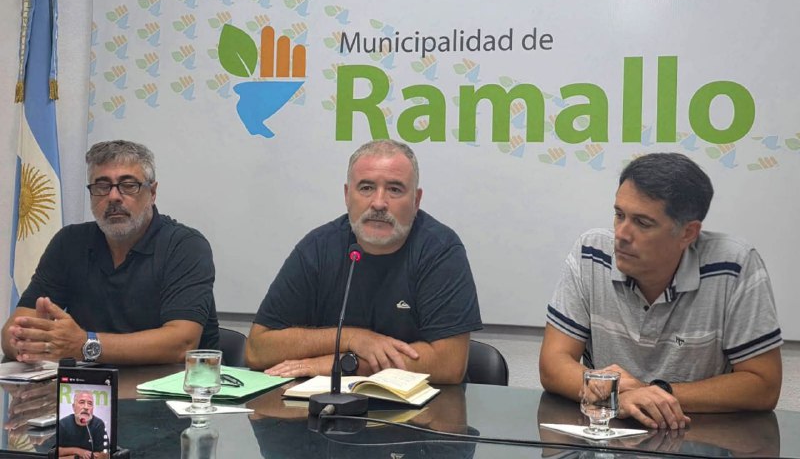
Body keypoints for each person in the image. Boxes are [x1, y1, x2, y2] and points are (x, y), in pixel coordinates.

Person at [539, 152, 782, 430]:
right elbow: (553, 363)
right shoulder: (591, 253)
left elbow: (763, 385)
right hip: (607, 436)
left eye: (642, 223)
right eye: (619, 215)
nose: (621, 234)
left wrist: (652, 393)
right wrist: (618, 395)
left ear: (688, 233)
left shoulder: (735, 265)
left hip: (699, 436)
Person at [245, 139, 482, 384]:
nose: (379, 203)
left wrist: (346, 364)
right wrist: (351, 339)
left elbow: (449, 364)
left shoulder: (440, 250)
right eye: (366, 188)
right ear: (347, 195)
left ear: (416, 201)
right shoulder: (318, 247)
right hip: (326, 404)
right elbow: (257, 350)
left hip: (423, 406)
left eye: (395, 190)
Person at [2, 140, 219, 365]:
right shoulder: (70, 242)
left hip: (173, 384)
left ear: (152, 193)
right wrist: (26, 342)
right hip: (89, 384)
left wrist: (85, 344)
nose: (113, 196)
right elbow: (13, 330)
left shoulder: (184, 246)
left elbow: (182, 344)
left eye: (128, 185)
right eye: (102, 186)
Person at [57, 391, 107, 458]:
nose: (86, 407)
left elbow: (104, 454)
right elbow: (55, 452)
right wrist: (78, 451)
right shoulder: (63, 424)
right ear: (73, 407)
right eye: (82, 402)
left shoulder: (98, 424)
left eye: (90, 404)